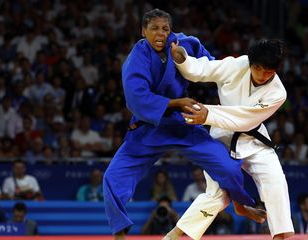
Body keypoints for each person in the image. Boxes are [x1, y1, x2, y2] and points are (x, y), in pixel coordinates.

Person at [103, 8, 261, 240]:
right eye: (154, 28)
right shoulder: (137, 58)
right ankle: (119, 233)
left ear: (171, 30)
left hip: (182, 122)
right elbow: (137, 98)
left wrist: (184, 60)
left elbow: (211, 67)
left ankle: (239, 202)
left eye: (165, 28)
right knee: (113, 176)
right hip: (150, 126)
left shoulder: (183, 43)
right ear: (143, 31)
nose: (160, 34)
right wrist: (176, 102)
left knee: (226, 165)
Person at [164, 39, 295, 240]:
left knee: (275, 180)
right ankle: (175, 235)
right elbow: (205, 69)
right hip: (221, 138)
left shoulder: (278, 93)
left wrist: (208, 114)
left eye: (269, 72)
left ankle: (281, 236)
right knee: (218, 195)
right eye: (258, 69)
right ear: (250, 62)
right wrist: (183, 60)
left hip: (254, 140)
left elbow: (245, 119)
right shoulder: (237, 65)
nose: (262, 75)